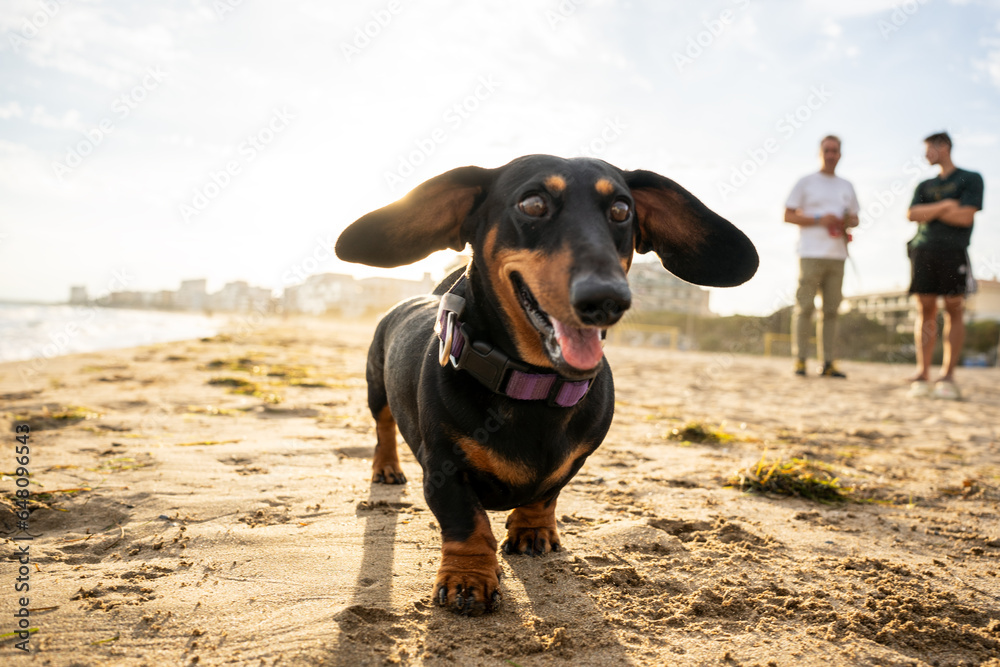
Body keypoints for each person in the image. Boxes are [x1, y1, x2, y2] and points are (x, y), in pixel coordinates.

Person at [905, 132, 984, 400]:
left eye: (929, 149)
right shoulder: (924, 185)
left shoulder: (970, 178)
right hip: (923, 250)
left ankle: (947, 374)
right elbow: (912, 214)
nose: (926, 154)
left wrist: (932, 212)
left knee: (953, 309)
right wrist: (946, 206)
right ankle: (923, 372)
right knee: (925, 309)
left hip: (954, 252)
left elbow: (965, 218)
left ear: (944, 146)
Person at [784, 135, 860, 378]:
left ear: (840, 154)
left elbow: (856, 218)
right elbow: (788, 215)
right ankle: (800, 361)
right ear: (820, 153)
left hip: (837, 255)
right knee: (804, 307)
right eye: (827, 150)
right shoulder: (805, 182)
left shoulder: (847, 185)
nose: (831, 154)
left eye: (835, 150)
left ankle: (828, 363)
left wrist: (845, 220)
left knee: (831, 311)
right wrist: (819, 219)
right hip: (810, 253)